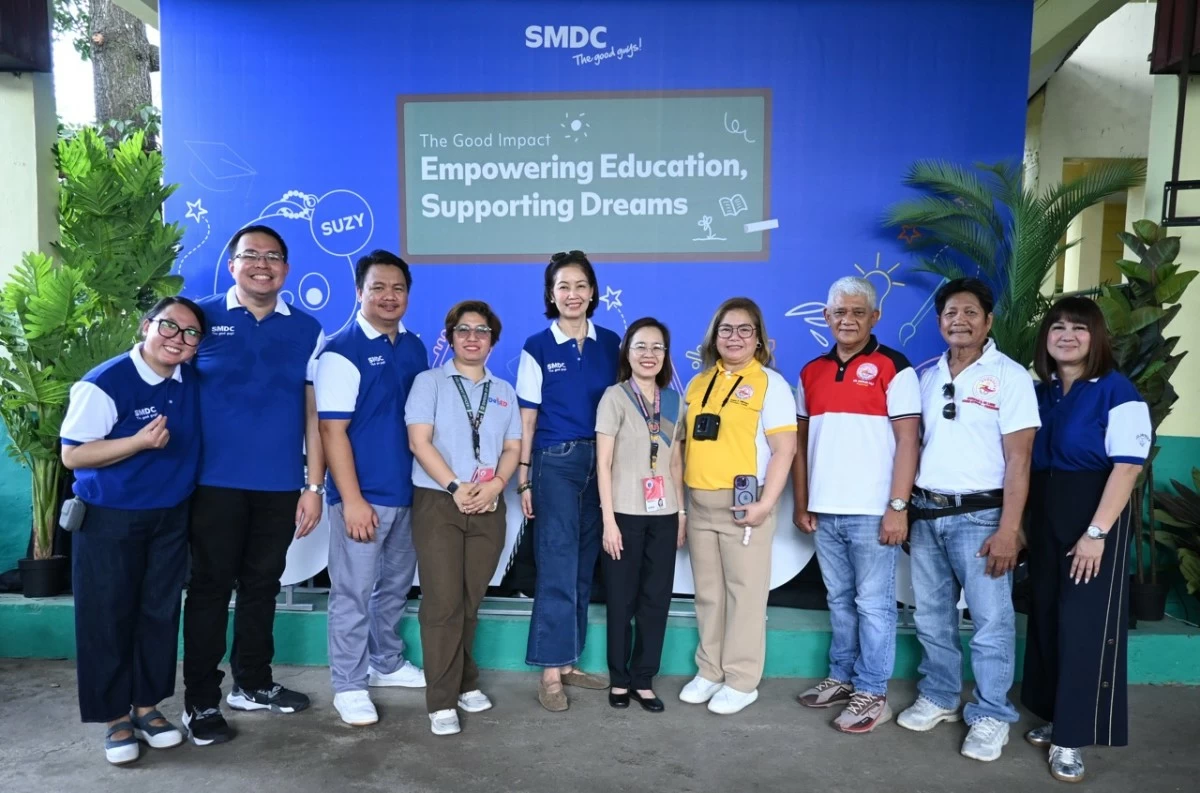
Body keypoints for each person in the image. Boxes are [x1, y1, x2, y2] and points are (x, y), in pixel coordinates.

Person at [182, 225, 326, 745]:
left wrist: (314, 485)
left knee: (263, 584)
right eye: (250, 256)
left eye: (273, 257)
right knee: (209, 590)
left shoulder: (308, 330)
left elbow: (314, 413)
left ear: (286, 269)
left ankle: (253, 683)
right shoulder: (196, 319)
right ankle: (200, 702)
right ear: (231, 264)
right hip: (211, 484)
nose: (261, 264)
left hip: (280, 484)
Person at [897, 278, 1040, 763]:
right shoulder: (926, 376)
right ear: (940, 322)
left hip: (982, 518)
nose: (960, 321)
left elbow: (1020, 460)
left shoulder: (1010, 376)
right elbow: (911, 446)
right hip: (927, 512)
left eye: (970, 313)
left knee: (991, 623)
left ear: (989, 320)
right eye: (950, 313)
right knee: (933, 617)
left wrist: (1010, 528)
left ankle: (991, 715)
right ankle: (940, 696)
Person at [60, 297, 206, 764]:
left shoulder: (189, 382)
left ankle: (148, 707)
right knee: (108, 616)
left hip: (169, 518)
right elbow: (74, 455)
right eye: (169, 327)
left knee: (159, 614)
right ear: (146, 326)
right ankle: (114, 719)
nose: (177, 339)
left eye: (190, 334)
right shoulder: (105, 383)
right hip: (109, 519)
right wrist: (138, 442)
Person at [1021, 296, 1150, 783]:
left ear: (1097, 338)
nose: (1067, 335)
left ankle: (1073, 737)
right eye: (1057, 327)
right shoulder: (1042, 393)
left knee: (1083, 627)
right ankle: (1055, 713)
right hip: (1045, 515)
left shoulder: (1117, 392)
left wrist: (1097, 533)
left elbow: (1127, 467)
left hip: (1092, 518)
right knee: (1049, 616)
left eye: (1079, 327)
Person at [792, 277, 921, 733]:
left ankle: (872, 691)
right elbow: (803, 443)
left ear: (875, 317)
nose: (848, 320)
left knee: (873, 604)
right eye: (839, 313)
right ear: (826, 317)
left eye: (858, 312)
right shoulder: (811, 372)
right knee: (840, 600)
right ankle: (843, 677)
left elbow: (909, 442)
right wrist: (804, 502)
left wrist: (898, 506)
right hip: (825, 509)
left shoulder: (895, 367)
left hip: (873, 510)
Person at [315, 250, 428, 728]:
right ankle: (349, 683)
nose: (388, 296)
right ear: (359, 292)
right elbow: (331, 431)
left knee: (395, 588)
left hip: (410, 494)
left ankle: (385, 662)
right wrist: (353, 500)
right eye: (378, 288)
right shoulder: (342, 350)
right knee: (354, 592)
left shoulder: (415, 346)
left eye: (397, 289)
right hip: (362, 498)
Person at [406, 300, 521, 735]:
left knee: (471, 601)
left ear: (493, 339)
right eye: (463, 330)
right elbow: (420, 441)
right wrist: (457, 487)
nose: (473, 337)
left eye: (482, 330)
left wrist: (494, 487)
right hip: (440, 501)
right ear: (450, 336)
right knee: (442, 603)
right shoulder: (429, 382)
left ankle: (465, 680)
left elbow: (512, 448)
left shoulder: (505, 391)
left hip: (490, 505)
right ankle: (441, 700)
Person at [678, 297, 796, 716]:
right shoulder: (697, 383)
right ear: (714, 336)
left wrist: (766, 503)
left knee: (745, 595)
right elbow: (683, 447)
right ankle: (710, 670)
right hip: (700, 504)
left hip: (744, 506)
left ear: (760, 339)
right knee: (708, 595)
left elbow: (785, 450)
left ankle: (742, 680)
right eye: (726, 329)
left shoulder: (771, 384)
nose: (734, 337)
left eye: (745, 329)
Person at [516, 250, 621, 711]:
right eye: (563, 287)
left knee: (583, 566)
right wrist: (523, 478)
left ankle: (570, 659)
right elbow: (527, 419)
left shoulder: (612, 343)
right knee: (556, 563)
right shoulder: (537, 346)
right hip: (554, 462)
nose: (572, 294)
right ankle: (550, 672)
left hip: (601, 465)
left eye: (580, 285)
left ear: (592, 291)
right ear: (551, 295)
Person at [596, 318, 687, 714]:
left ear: (665, 355)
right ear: (627, 353)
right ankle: (619, 679)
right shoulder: (614, 397)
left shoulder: (673, 401)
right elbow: (603, 465)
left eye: (657, 347)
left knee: (656, 600)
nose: (649, 355)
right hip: (623, 515)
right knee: (621, 600)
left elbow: (676, 463)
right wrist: (609, 522)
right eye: (640, 347)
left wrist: (681, 512)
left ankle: (644, 679)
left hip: (664, 515)